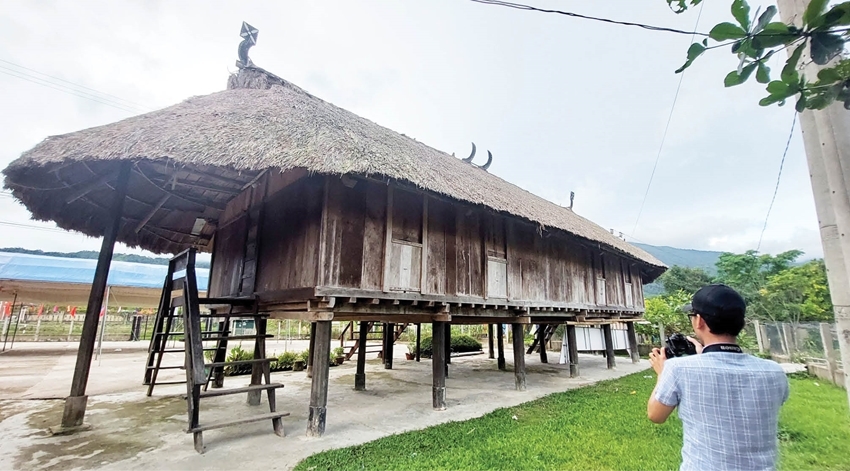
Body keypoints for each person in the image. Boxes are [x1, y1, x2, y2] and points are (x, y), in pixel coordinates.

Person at [646, 284, 789, 471]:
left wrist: (662, 374)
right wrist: (703, 356)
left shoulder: (678, 369)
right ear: (742, 323)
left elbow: (655, 415)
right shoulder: (774, 372)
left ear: (699, 321)